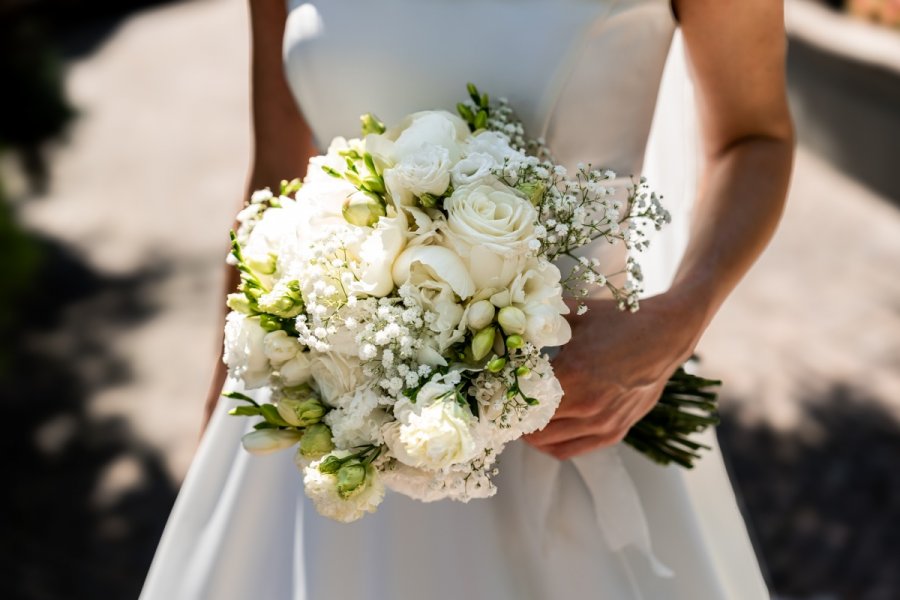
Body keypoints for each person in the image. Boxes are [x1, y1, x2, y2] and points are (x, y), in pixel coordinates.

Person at [141, 0, 794, 598]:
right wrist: (217, 409)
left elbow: (754, 135)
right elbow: (276, 175)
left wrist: (675, 323)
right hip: (327, 425)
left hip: (576, 400)